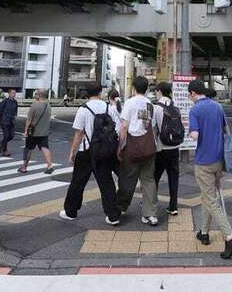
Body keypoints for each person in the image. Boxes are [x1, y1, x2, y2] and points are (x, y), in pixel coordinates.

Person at [188, 79, 232, 259]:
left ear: (193, 94)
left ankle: (230, 237)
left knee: (211, 200)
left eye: (190, 95)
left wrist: (190, 131)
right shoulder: (217, 107)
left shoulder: (195, 109)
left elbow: (195, 135)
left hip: (203, 161)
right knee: (208, 195)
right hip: (219, 160)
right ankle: (204, 232)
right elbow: (227, 129)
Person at [61, 83, 122, 225]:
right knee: (106, 183)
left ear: (86, 94)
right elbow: (117, 130)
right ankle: (113, 215)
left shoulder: (83, 109)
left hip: (86, 151)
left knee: (78, 182)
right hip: (105, 150)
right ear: (100, 93)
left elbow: (78, 133)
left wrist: (72, 152)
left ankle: (71, 212)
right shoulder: (109, 108)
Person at [116, 76, 162, 225]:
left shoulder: (130, 102)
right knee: (148, 180)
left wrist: (120, 146)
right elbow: (152, 128)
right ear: (147, 88)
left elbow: (124, 126)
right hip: (148, 148)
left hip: (132, 147)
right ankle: (151, 214)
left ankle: (120, 209)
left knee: (128, 178)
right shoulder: (150, 104)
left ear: (134, 88)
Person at [153, 81, 181, 216]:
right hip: (175, 147)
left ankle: (151, 202)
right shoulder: (175, 107)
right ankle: (173, 206)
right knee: (173, 177)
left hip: (161, 148)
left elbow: (152, 128)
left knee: (154, 177)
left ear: (159, 91)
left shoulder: (155, 107)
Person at [19, 88, 54, 174]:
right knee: (45, 147)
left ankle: (24, 167)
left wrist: (26, 131)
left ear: (39, 95)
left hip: (33, 132)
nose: (35, 96)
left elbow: (29, 119)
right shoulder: (48, 106)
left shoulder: (34, 105)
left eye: (36, 94)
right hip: (44, 132)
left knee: (28, 149)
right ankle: (50, 165)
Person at [0, 89, 18, 156]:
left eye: (15, 93)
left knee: (11, 136)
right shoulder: (5, 101)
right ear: (9, 94)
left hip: (11, 121)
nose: (14, 94)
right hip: (4, 120)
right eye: (12, 93)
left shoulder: (15, 102)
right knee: (6, 135)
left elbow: (15, 112)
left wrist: (15, 118)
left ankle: (2, 143)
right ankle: (4, 150)